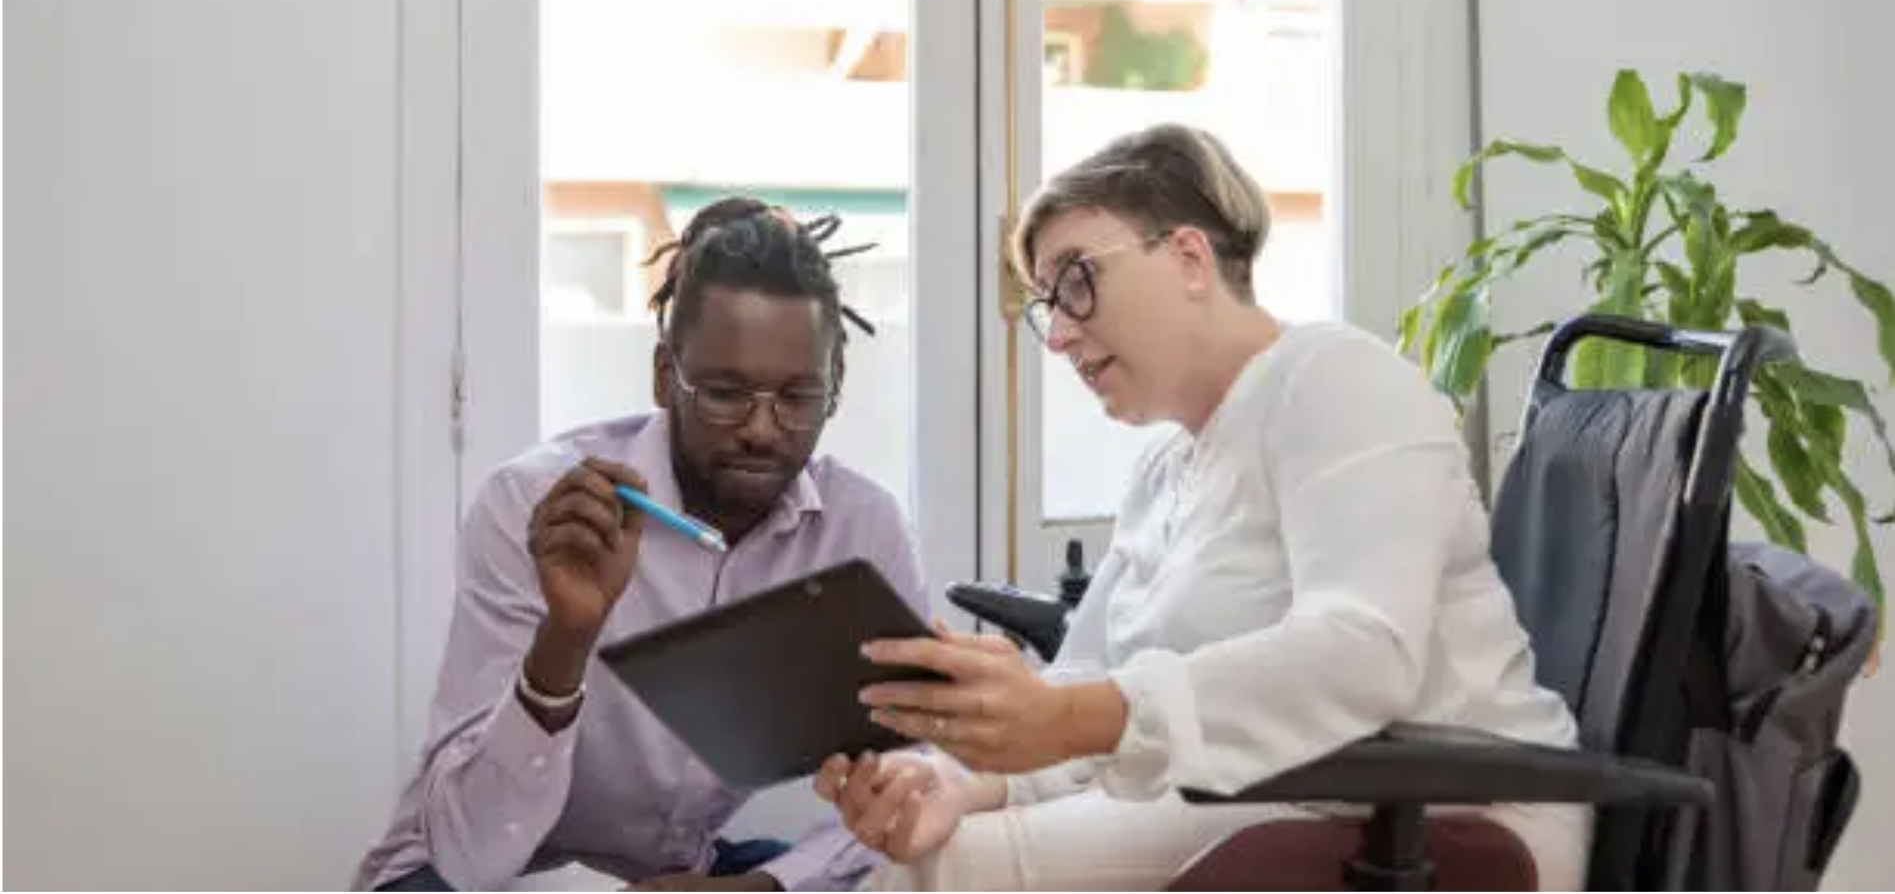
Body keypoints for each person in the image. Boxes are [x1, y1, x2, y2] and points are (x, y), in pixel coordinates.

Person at [811, 124, 1593, 890]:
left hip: (1446, 809)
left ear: (1188, 258)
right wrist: (956, 782)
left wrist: (1074, 717)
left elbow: (1365, 654)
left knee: (949, 872)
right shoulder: (1164, 469)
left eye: (1076, 281)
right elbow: (1087, 680)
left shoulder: (1338, 380)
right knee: (938, 845)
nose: (1058, 337)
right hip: (1269, 790)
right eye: (1049, 303)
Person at [353, 197, 928, 892]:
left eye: (798, 397)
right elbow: (467, 853)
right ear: (663, 376)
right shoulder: (542, 507)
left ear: (834, 390)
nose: (762, 430)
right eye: (725, 393)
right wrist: (566, 639)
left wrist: (760, 889)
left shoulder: (860, 531)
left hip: (674, 873)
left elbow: (914, 778)